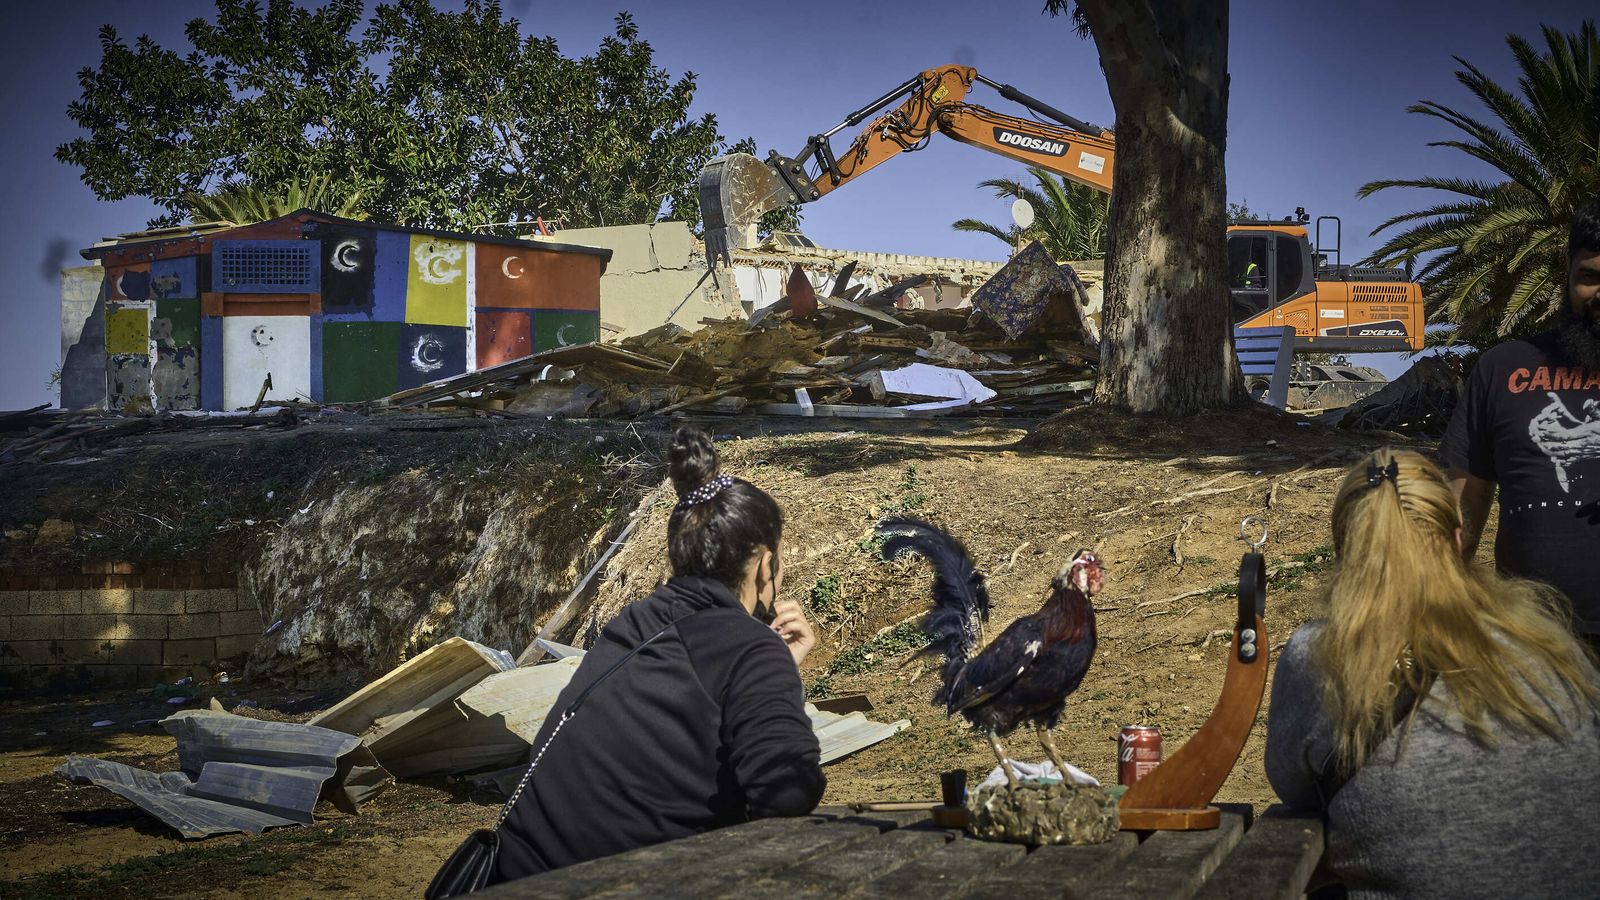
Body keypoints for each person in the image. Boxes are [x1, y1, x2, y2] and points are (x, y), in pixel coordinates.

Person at [488, 427, 825, 883]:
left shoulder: (634, 623)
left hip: (516, 875)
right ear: (765, 563)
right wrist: (771, 662)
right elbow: (787, 792)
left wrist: (775, 670)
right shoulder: (749, 645)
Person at [1265, 448, 1600, 899]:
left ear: (1345, 550)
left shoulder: (1319, 656)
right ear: (1459, 536)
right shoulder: (1551, 644)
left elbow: (1295, 788)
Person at [1441, 199, 1600, 646]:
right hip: (1530, 644)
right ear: (1567, 274)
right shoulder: (1503, 369)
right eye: (1590, 277)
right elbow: (1460, 515)